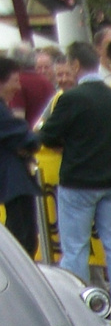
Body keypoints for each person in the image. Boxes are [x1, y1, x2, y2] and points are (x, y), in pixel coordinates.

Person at [36, 43, 111, 320]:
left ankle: (78, 308)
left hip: (78, 181)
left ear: (76, 66)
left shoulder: (71, 98)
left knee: (75, 248)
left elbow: (47, 135)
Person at [0, 57, 41, 256]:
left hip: (14, 181)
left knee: (25, 235)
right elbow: (26, 138)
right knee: (22, 236)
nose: (18, 87)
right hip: (13, 181)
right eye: (15, 81)